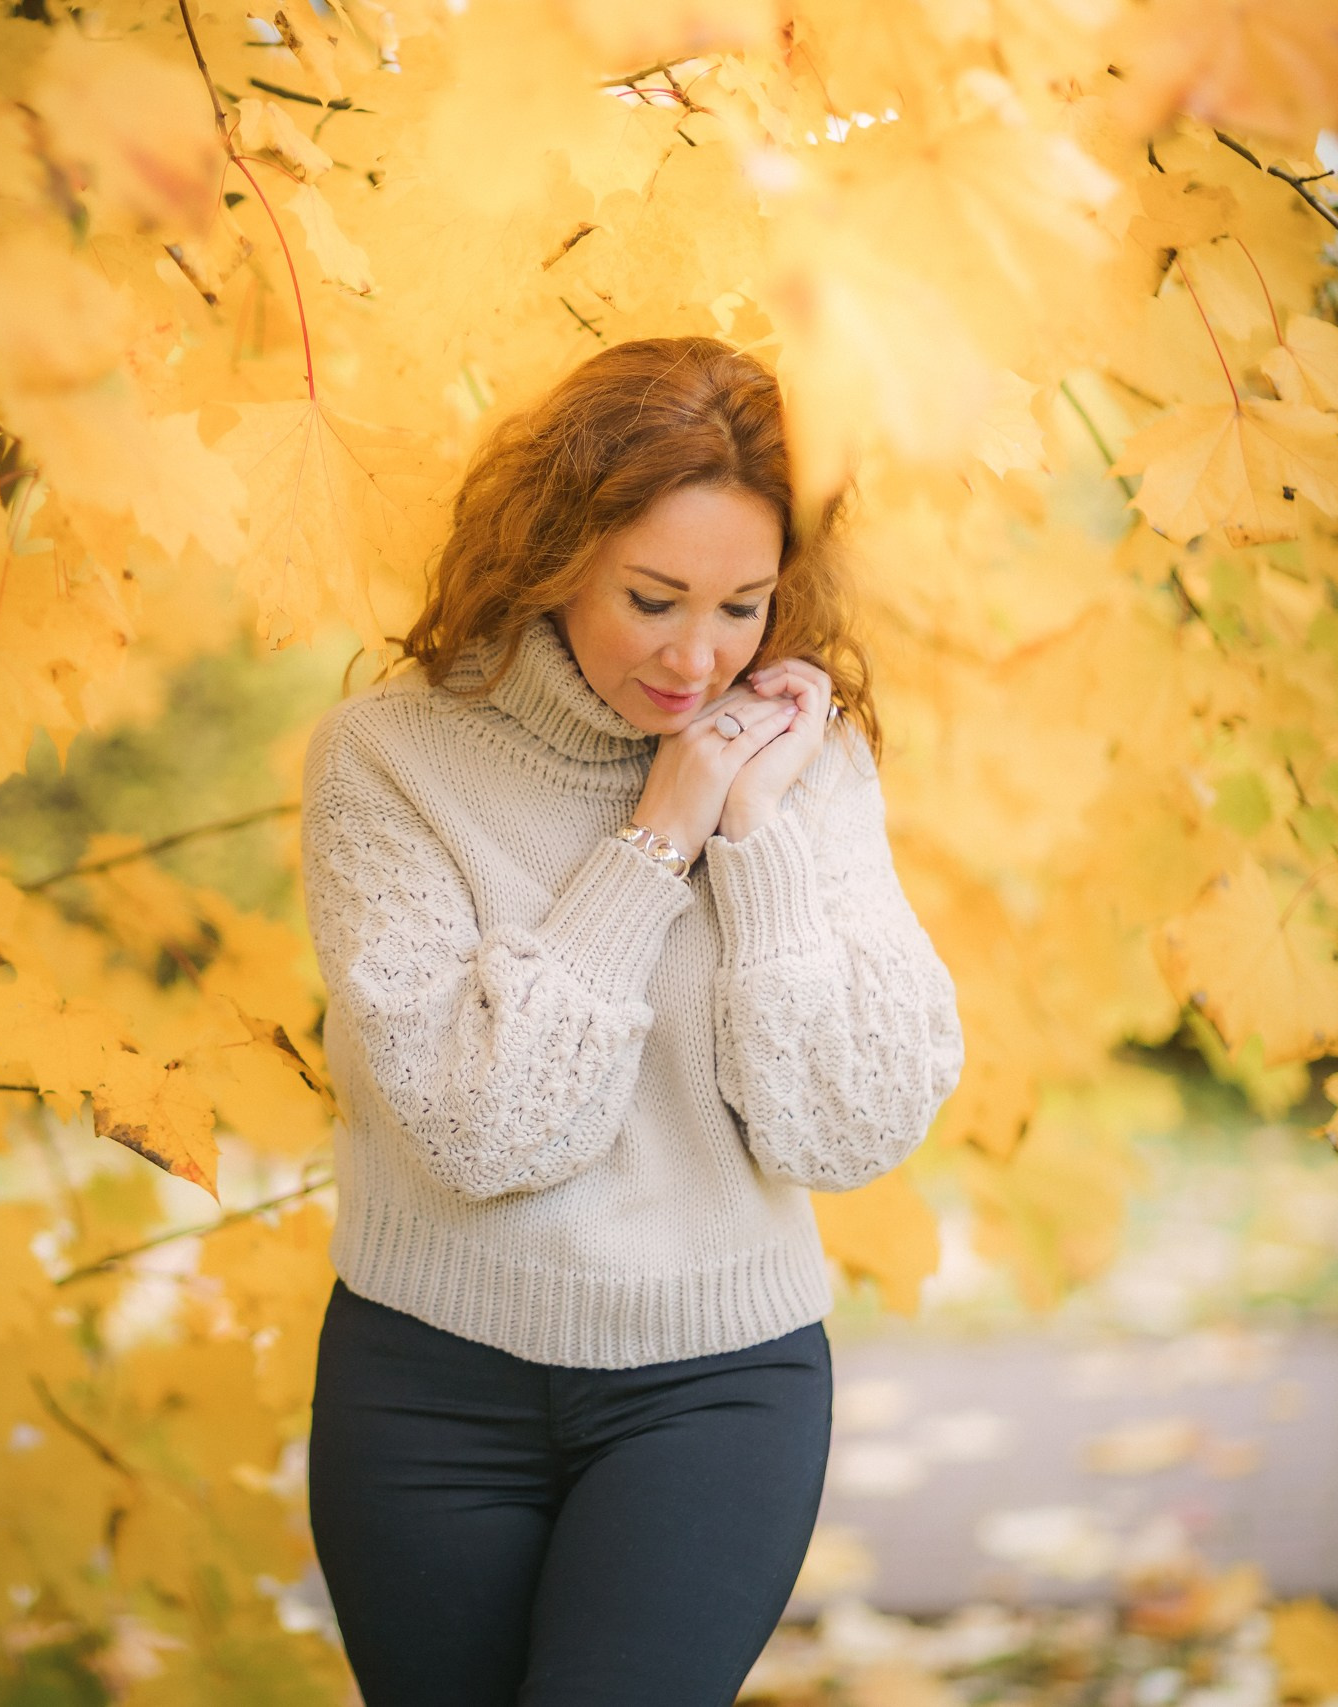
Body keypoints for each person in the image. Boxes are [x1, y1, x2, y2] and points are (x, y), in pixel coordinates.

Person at [297, 336, 965, 1707]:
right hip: (428, 1390)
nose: (698, 656)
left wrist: (757, 830)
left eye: (743, 606)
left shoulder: (803, 764)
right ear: (553, 560)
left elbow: (850, 1127)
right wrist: (658, 839)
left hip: (716, 1393)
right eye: (654, 598)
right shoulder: (390, 759)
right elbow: (483, 1131)